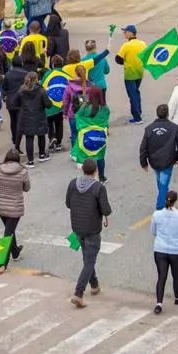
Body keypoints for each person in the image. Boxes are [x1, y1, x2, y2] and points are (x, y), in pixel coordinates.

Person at [66, 158, 111, 308]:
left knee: (87, 258)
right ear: (96, 171)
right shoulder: (98, 187)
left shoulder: (73, 183)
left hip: (77, 227)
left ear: (82, 169)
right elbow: (106, 210)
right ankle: (78, 293)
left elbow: (68, 203)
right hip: (92, 228)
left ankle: (95, 285)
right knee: (90, 261)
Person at [139, 105, 178, 211]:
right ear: (168, 114)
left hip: (154, 161)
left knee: (161, 182)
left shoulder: (149, 129)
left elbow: (143, 147)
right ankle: (161, 207)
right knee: (163, 184)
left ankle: (165, 200)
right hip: (168, 160)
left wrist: (143, 162)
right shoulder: (174, 127)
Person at [151, 190, 178, 314]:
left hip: (160, 249)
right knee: (176, 275)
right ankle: (177, 297)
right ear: (176, 201)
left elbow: (153, 232)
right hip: (176, 250)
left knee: (161, 276)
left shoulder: (157, 215)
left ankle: (159, 303)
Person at [0, 148, 30, 266]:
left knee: (9, 230)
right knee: (8, 234)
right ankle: (3, 262)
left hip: (1, 206)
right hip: (15, 208)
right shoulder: (23, 172)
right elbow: (27, 188)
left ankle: (15, 252)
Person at [12, 72, 49, 167]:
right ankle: (41, 155)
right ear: (37, 79)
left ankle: (31, 161)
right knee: (41, 135)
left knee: (29, 137)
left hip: (26, 117)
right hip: (39, 116)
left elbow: (14, 103)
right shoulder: (41, 91)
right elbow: (48, 104)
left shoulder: (21, 90)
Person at [116, 25, 147, 124]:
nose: (124, 33)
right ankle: (139, 111)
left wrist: (126, 61)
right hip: (140, 72)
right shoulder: (143, 44)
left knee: (132, 94)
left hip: (130, 73)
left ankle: (137, 117)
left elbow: (118, 59)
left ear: (130, 33)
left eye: (125, 32)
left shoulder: (126, 45)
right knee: (136, 92)